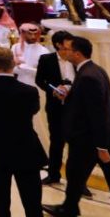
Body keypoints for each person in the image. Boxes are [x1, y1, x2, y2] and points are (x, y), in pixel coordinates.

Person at [43, 37, 110, 217]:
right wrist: (69, 95)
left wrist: (102, 147)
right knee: (79, 175)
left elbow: (98, 113)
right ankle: (69, 208)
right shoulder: (93, 70)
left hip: (90, 141)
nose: (63, 52)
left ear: (77, 53)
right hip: (92, 139)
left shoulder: (88, 76)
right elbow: (87, 103)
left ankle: (70, 208)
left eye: (67, 49)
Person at [0, 46, 46, 217]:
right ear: (13, 63)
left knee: (0, 198)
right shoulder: (29, 91)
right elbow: (34, 110)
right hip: (25, 148)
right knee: (32, 200)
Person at [34, 30, 78, 187]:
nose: (70, 49)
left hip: (75, 107)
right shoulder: (46, 59)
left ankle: (78, 181)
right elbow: (40, 80)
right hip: (55, 107)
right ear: (58, 45)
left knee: (76, 144)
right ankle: (53, 175)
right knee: (57, 143)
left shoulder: (76, 58)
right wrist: (52, 90)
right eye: (66, 46)